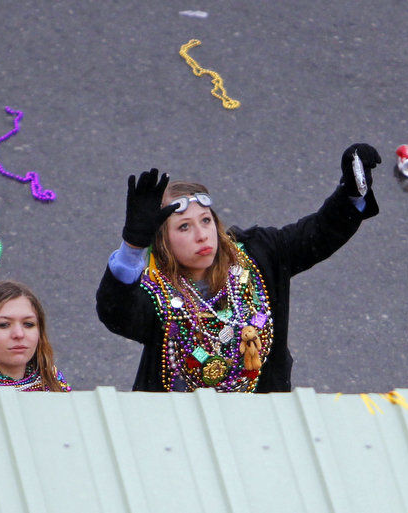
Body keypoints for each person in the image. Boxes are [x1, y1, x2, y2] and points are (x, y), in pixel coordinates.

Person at [96, 143, 381, 392]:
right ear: (162, 242)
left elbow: (317, 233)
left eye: (205, 220)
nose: (201, 235)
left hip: (261, 419)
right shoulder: (155, 294)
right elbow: (116, 312)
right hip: (178, 429)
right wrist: (133, 246)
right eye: (184, 227)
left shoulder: (260, 254)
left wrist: (351, 194)